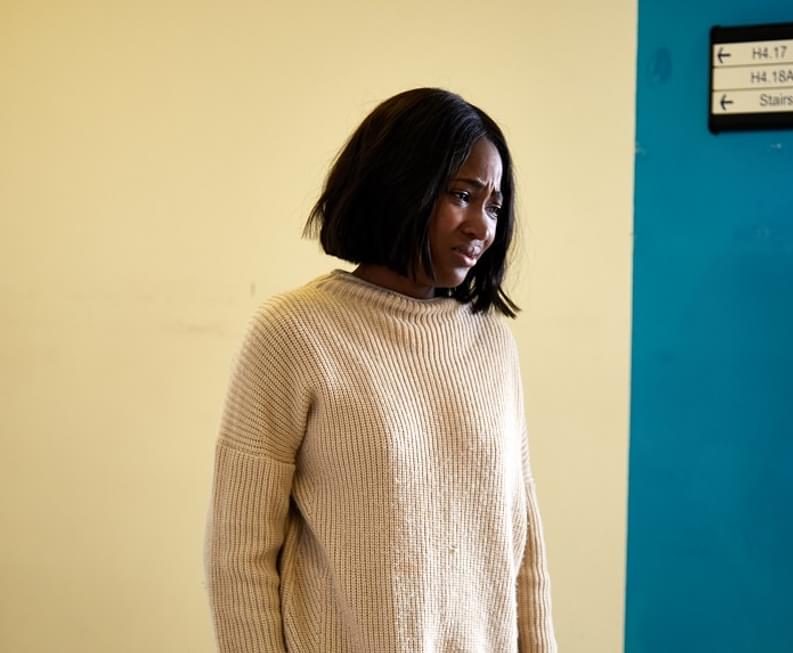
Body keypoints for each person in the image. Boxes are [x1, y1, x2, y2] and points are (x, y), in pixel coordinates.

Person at [205, 87, 556, 652]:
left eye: (494, 206)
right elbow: (239, 554)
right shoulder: (293, 331)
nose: (482, 227)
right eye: (462, 195)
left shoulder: (492, 342)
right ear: (400, 185)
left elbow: (523, 543)